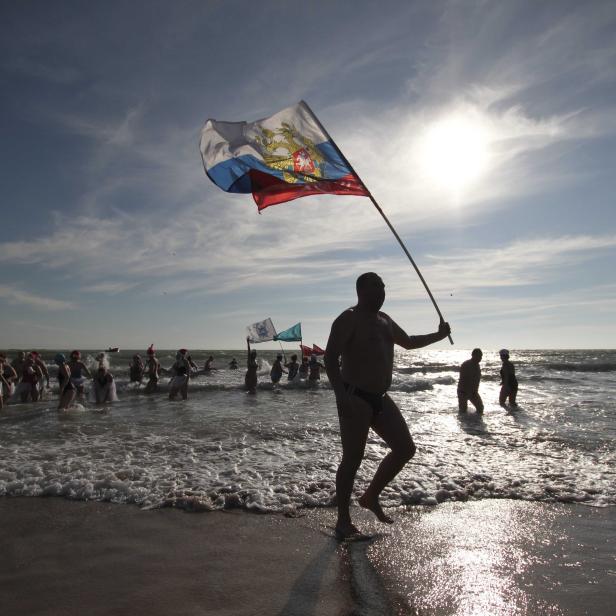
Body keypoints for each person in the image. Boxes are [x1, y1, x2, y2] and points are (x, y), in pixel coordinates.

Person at [325, 272, 451, 540]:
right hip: (354, 395)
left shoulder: (385, 320)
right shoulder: (349, 318)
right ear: (360, 291)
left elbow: (409, 342)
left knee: (405, 448)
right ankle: (343, 522)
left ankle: (371, 496)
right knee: (353, 458)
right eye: (375, 287)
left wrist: (439, 336)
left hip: (380, 396)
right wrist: (340, 396)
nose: (381, 291)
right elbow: (329, 358)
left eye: (383, 287)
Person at [457, 348, 484, 413]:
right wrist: (467, 392)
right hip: (463, 391)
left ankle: (476, 422)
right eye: (479, 356)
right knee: (463, 411)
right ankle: (465, 422)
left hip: (473, 392)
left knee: (480, 408)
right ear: (473, 355)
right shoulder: (466, 364)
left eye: (481, 356)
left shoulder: (477, 365)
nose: (480, 358)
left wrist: (474, 391)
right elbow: (463, 379)